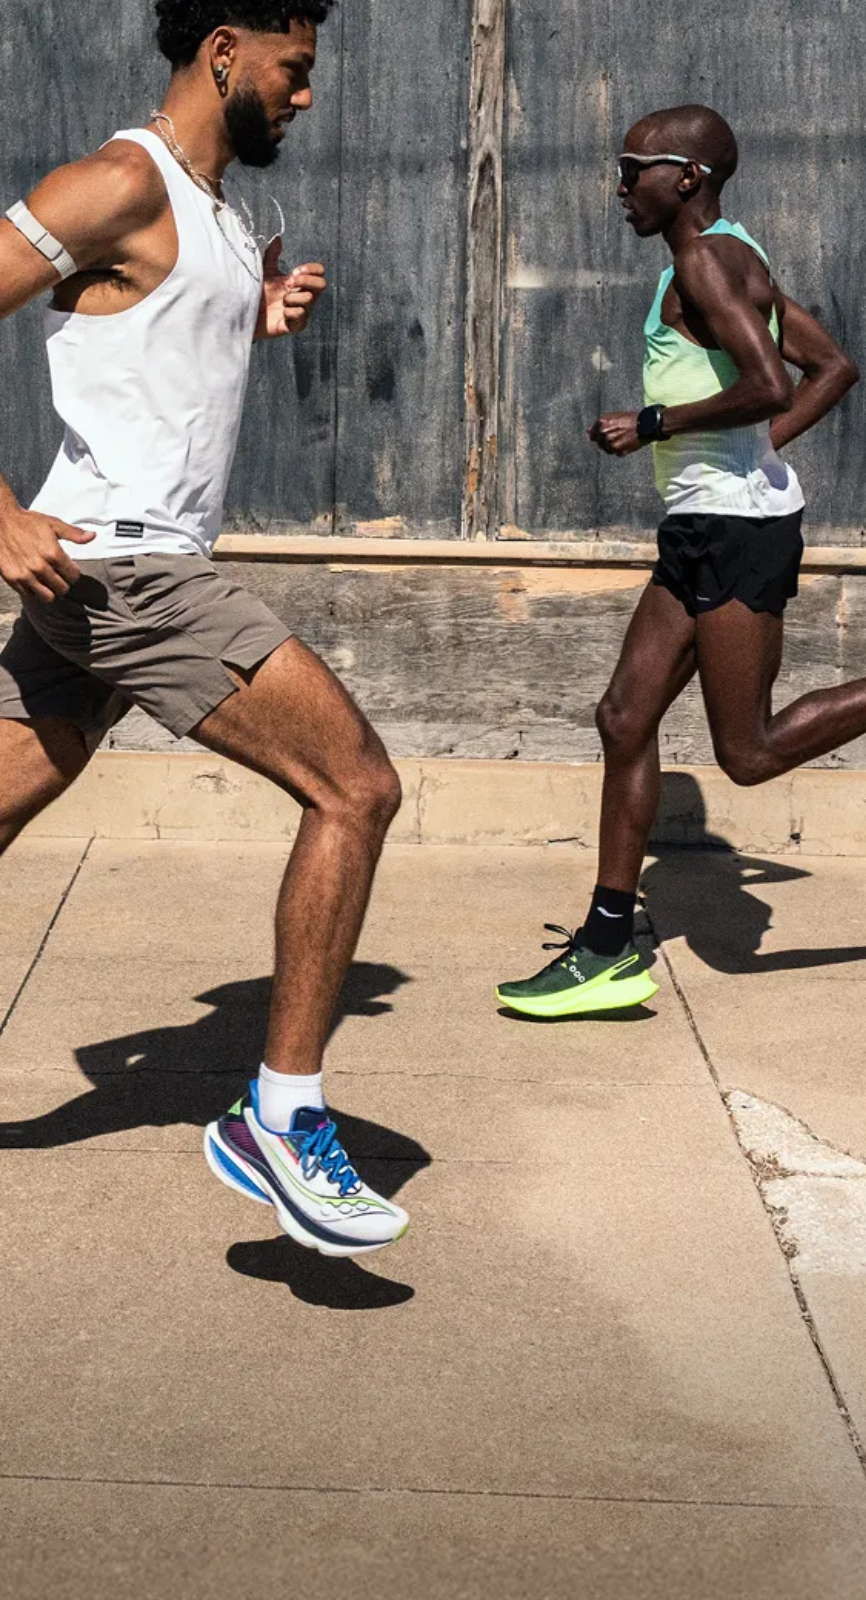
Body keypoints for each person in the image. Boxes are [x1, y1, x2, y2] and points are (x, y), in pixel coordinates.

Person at [497, 104, 866, 1020]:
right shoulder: (729, 258)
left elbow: (769, 383)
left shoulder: (707, 261)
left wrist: (655, 423)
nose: (619, 184)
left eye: (633, 167)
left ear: (686, 176)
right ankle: (604, 946)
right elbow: (831, 368)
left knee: (748, 753)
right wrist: (753, 450)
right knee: (623, 717)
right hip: (705, 521)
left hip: (737, 531)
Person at [0, 0, 408, 1255]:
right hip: (130, 573)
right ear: (224, 50)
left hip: (106, 573)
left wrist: (254, 310)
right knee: (356, 788)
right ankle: (277, 1118)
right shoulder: (123, 180)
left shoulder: (217, 211)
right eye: (293, 68)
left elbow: (145, 332)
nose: (305, 94)